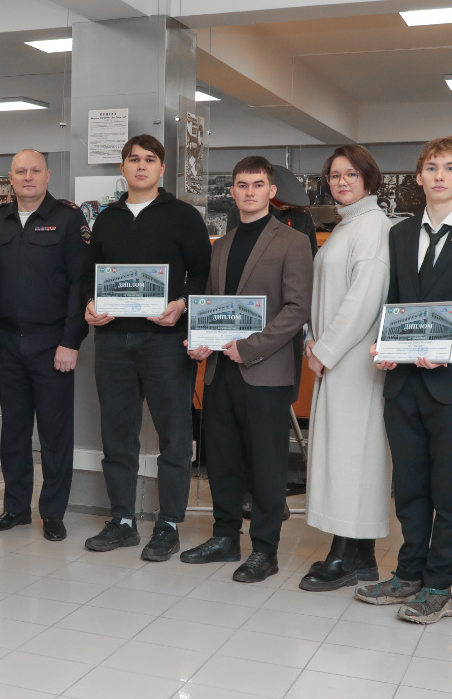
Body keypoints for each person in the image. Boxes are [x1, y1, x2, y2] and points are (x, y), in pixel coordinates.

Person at [359, 135, 452, 624]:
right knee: (409, 485)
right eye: (431, 167)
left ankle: (439, 586)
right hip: (402, 381)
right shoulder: (400, 234)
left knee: (446, 490)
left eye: (449, 167)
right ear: (419, 176)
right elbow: (396, 304)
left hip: (449, 382)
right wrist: (387, 345)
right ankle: (408, 574)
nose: (439, 176)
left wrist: (446, 346)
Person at [180, 156, 312, 582]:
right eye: (242, 184)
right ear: (232, 192)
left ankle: (265, 551)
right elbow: (214, 308)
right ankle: (224, 537)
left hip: (266, 371)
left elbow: (297, 310)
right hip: (221, 371)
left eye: (257, 185)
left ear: (271, 191)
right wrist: (200, 341)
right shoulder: (222, 245)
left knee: (267, 464)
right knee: (223, 460)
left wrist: (249, 347)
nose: (249, 192)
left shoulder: (293, 242)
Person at [80, 134, 212, 561]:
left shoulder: (184, 216)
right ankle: (122, 520)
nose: (141, 166)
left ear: (161, 168)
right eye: (133, 159)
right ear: (122, 167)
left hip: (165, 341)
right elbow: (89, 274)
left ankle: (168, 524)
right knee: (117, 434)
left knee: (174, 435)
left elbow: (202, 273)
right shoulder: (106, 218)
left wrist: (182, 305)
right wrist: (90, 304)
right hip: (113, 341)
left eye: (149, 159)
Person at [298, 145, 396, 591]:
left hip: (355, 360)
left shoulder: (373, 226)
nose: (341, 182)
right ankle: (359, 557)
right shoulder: (347, 225)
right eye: (334, 175)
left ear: (369, 178)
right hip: (336, 357)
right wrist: (312, 340)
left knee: (354, 456)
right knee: (344, 455)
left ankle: (348, 556)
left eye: (350, 174)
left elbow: (363, 300)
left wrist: (325, 349)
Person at [0, 149, 88, 542]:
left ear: (48, 175)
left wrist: (71, 340)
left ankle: (53, 513)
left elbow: (81, 284)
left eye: (35, 170)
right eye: (21, 171)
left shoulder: (68, 218)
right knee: (13, 431)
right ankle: (16, 507)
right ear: (10, 178)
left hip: (51, 343)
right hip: (8, 342)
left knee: (55, 434)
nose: (28, 177)